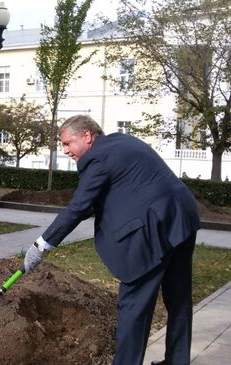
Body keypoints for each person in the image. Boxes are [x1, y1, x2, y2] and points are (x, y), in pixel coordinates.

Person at [22, 115, 200, 365]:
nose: (66, 151)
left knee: (134, 306)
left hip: (152, 230)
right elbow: (123, 189)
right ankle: (177, 361)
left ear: (87, 135)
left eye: (67, 143)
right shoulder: (122, 141)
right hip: (181, 217)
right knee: (178, 297)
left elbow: (79, 207)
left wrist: (41, 245)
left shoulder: (96, 157)